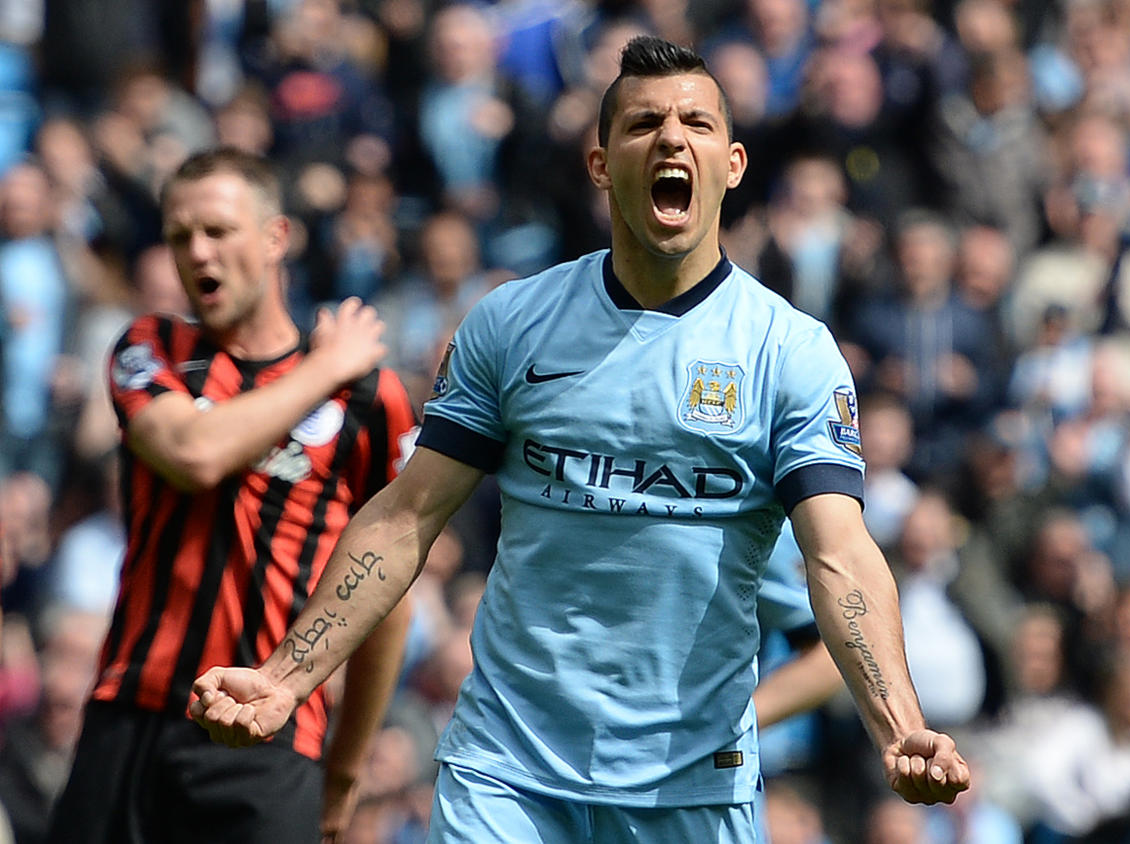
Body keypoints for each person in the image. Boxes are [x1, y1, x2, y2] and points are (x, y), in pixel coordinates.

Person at [192, 37, 971, 843]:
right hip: (507, 771)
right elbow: (405, 518)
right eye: (644, 125)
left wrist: (897, 726)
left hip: (692, 789)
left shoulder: (790, 351)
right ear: (600, 165)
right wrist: (285, 678)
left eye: (697, 123)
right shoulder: (511, 322)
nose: (672, 139)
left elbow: (840, 556)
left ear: (733, 164)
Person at [46, 148, 418, 843]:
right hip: (131, 716)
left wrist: (344, 771)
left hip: (268, 738)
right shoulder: (151, 346)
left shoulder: (371, 401)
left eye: (218, 230)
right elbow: (195, 453)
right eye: (181, 234)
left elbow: (387, 598)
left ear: (276, 237)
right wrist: (325, 367)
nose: (198, 251)